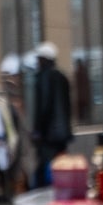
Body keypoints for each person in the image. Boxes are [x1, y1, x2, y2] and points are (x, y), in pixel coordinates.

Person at [28, 40, 74, 186]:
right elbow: (68, 107)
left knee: (46, 164)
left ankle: (46, 188)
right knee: (59, 162)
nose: (37, 63)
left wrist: (38, 130)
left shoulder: (43, 78)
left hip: (48, 134)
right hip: (61, 133)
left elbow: (44, 106)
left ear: (44, 60)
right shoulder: (62, 77)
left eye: (39, 59)